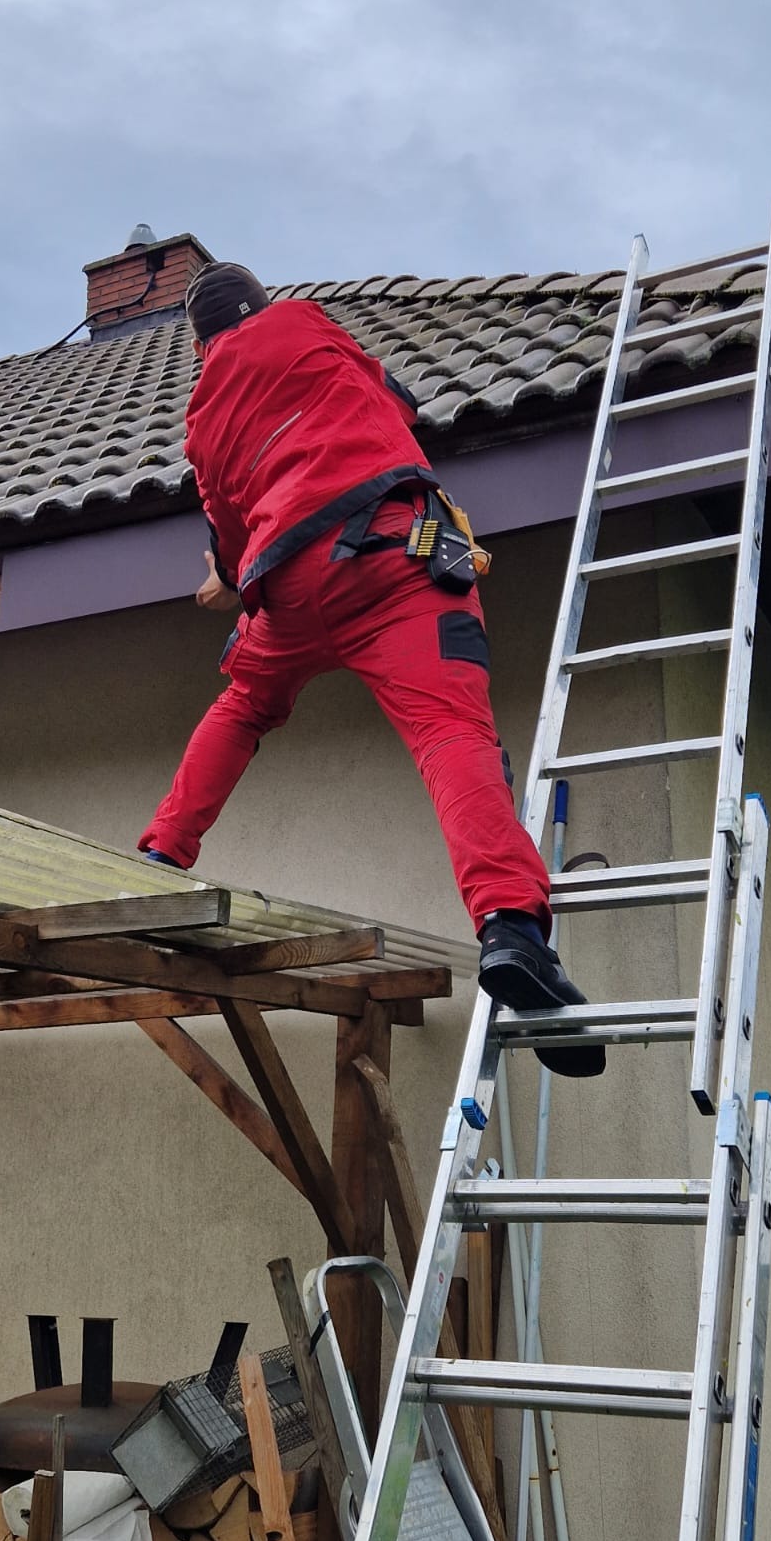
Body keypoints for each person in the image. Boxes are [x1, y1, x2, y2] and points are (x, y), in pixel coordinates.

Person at [138, 262, 603, 1077]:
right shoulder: (307, 324)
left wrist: (225, 572)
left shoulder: (201, 414)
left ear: (201, 340)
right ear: (260, 307)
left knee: (245, 701)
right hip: (392, 553)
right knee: (448, 731)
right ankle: (510, 931)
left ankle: (159, 857)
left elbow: (227, 536)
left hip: (285, 585)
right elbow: (395, 402)